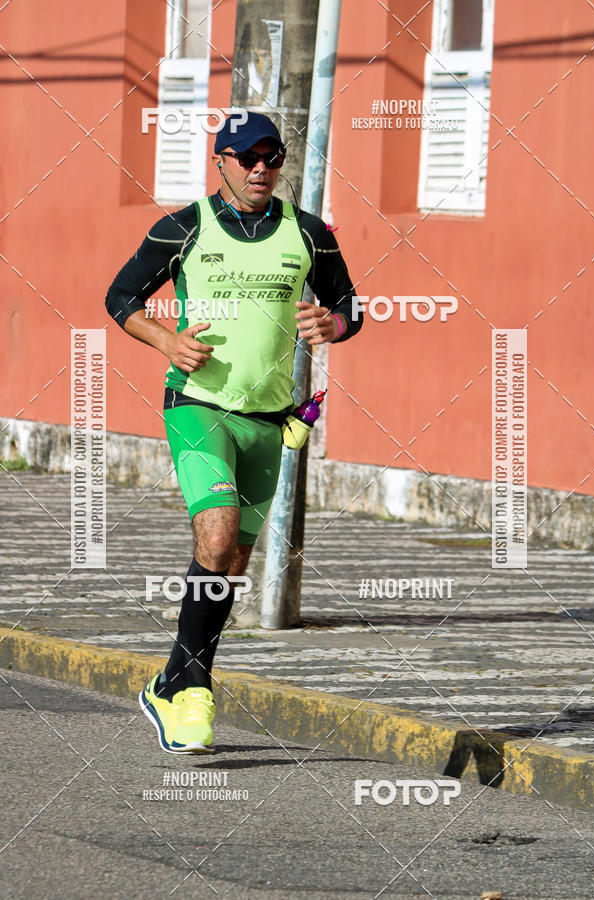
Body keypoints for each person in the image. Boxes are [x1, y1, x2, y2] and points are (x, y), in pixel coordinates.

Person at [106, 111, 363, 753]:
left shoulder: (308, 233)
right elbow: (120, 297)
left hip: (270, 421)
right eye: (246, 156)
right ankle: (195, 695)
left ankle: (169, 682)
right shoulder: (185, 227)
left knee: (232, 563)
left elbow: (346, 305)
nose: (259, 168)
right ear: (220, 161)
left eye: (271, 157)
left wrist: (334, 327)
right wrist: (168, 340)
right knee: (216, 533)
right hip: (197, 405)